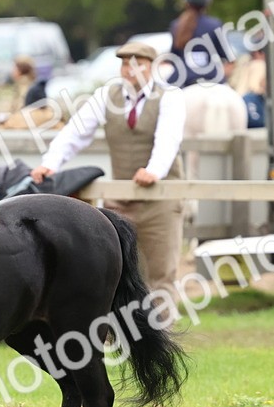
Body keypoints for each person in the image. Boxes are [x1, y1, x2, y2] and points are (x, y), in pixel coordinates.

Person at [31, 41, 186, 316]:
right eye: (126, 64)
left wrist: (154, 170)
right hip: (121, 200)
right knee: (117, 274)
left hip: (160, 201)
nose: (131, 70)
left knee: (162, 275)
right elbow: (76, 132)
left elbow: (168, 139)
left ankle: (162, 342)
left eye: (138, 64)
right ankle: (120, 336)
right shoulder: (108, 95)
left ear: (152, 67)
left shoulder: (170, 97)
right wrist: (50, 163)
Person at [169, 0, 233, 87]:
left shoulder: (176, 25)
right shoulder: (215, 25)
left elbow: (173, 57)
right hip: (211, 78)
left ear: (186, 2)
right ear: (207, 2)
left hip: (182, 79)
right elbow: (228, 57)